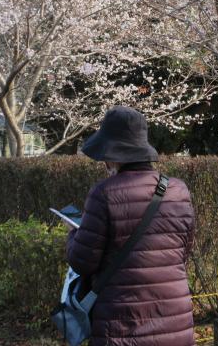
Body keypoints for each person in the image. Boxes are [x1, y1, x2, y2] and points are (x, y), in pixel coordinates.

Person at [65, 106, 196, 346]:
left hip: (123, 326)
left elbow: (82, 262)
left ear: (114, 154)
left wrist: (74, 234)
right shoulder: (179, 190)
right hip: (175, 321)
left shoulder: (104, 194)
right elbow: (181, 254)